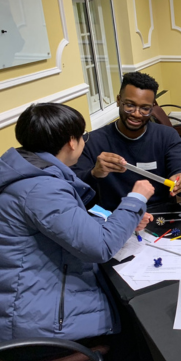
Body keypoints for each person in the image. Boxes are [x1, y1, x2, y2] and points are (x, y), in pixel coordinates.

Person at [0, 103, 154, 344]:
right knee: (139, 331)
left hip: (32, 299)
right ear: (72, 142)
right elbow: (100, 247)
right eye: (83, 136)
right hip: (41, 322)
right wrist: (136, 200)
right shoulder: (42, 188)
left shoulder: (30, 171)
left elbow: (68, 221)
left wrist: (124, 220)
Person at [71, 72, 181, 212]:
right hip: (114, 218)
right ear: (118, 100)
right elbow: (75, 187)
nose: (136, 113)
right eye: (129, 105)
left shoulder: (167, 135)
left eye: (145, 108)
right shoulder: (92, 142)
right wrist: (94, 173)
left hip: (159, 214)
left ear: (152, 107)